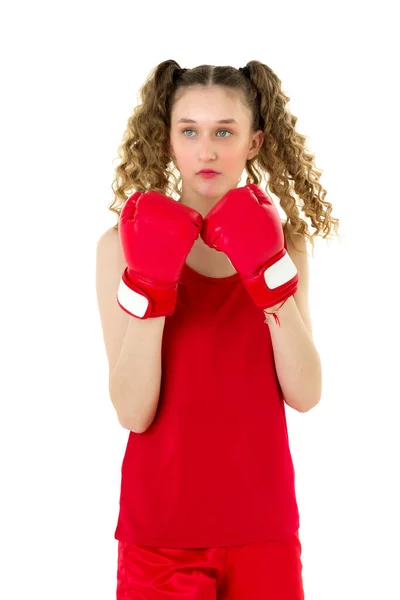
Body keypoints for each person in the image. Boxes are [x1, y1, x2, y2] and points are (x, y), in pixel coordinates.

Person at [96, 59, 340, 599]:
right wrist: (153, 283)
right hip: (160, 533)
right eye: (190, 131)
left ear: (254, 142)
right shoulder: (120, 247)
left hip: (263, 527)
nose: (206, 151)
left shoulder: (286, 246)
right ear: (168, 141)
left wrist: (266, 278)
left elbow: (305, 393)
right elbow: (133, 411)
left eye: (224, 132)